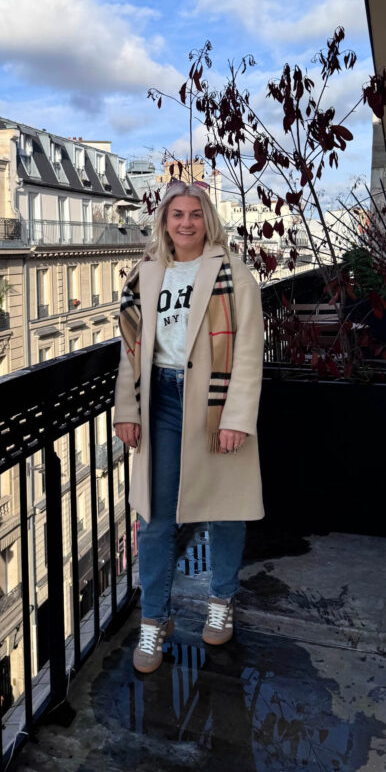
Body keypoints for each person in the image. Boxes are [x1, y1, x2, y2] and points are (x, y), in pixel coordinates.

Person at [114, 178, 264, 673]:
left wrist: (237, 417)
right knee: (153, 518)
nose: (185, 223)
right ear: (165, 221)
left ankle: (222, 600)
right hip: (160, 399)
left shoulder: (232, 273)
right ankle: (155, 621)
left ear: (207, 220)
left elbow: (247, 350)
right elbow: (132, 354)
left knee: (224, 508)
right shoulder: (145, 274)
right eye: (176, 214)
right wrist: (127, 410)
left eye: (194, 214)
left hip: (213, 403)